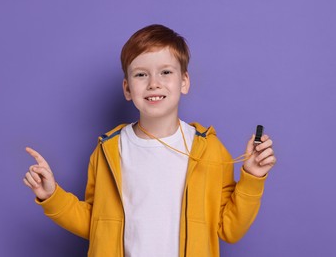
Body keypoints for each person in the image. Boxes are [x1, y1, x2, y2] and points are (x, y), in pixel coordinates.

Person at [23, 24, 276, 257]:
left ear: (184, 82)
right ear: (127, 89)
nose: (154, 83)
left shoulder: (209, 148)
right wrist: (51, 196)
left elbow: (230, 229)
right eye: (141, 75)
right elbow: (97, 224)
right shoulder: (108, 149)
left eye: (166, 72)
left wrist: (252, 178)